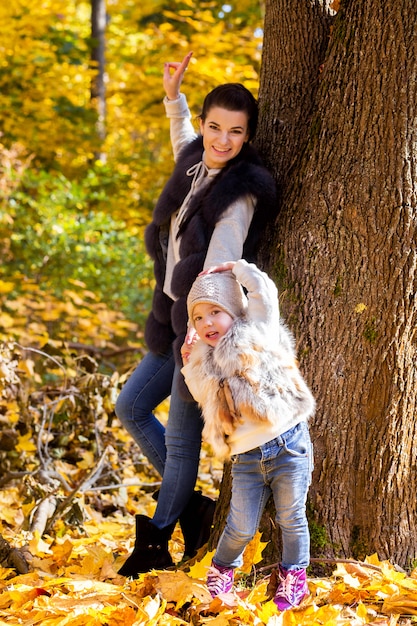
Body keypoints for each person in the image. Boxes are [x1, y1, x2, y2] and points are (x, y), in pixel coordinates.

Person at [115, 52, 277, 577]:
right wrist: (173, 99)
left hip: (201, 329)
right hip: (170, 320)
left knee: (182, 443)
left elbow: (219, 266)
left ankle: (157, 544)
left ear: (247, 135)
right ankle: (197, 508)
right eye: (214, 127)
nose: (222, 140)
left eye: (235, 132)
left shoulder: (237, 194)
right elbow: (184, 141)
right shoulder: (197, 164)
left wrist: (203, 334)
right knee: (132, 407)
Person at [181, 260, 315, 611]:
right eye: (199, 317)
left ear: (234, 310)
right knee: (239, 525)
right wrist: (189, 361)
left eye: (215, 312)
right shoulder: (203, 360)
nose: (208, 322)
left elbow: (264, 294)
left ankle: (293, 576)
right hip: (246, 459)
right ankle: (222, 571)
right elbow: (200, 394)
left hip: (289, 446)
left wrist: (239, 268)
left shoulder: (257, 330)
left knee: (291, 517)